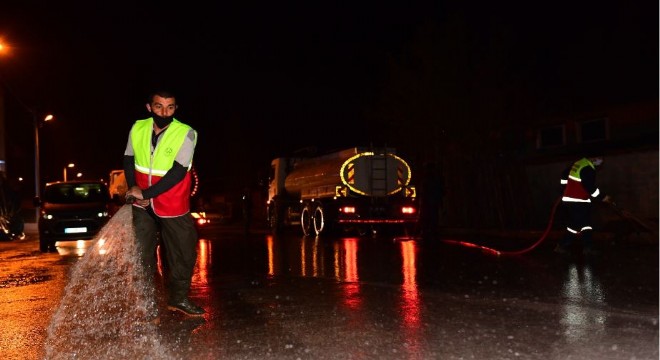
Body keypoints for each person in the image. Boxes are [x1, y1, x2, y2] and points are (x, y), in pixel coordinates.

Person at [124, 89, 205, 316]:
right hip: (142, 202)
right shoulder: (137, 127)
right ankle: (148, 305)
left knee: (183, 253)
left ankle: (178, 299)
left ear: (175, 109)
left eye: (170, 107)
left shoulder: (187, 133)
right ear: (149, 107)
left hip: (173, 203)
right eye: (159, 106)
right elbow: (129, 159)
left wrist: (148, 193)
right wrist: (134, 189)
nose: (164, 111)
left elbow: (179, 171)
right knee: (142, 255)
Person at [554, 156, 612, 256]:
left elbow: (565, 174)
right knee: (581, 225)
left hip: (575, 200)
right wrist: (602, 197)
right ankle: (569, 246)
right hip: (577, 201)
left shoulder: (580, 163)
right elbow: (589, 186)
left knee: (580, 225)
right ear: (593, 158)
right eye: (600, 159)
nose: (601, 162)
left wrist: (564, 189)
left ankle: (570, 246)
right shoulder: (588, 168)